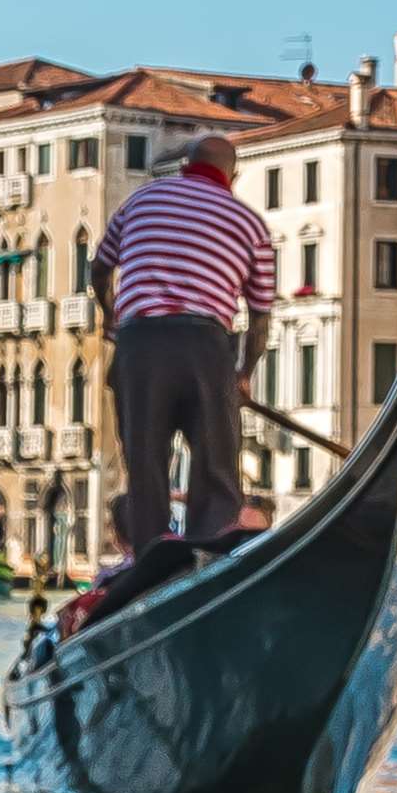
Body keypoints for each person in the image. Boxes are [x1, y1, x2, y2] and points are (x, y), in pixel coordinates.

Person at [91, 130, 279, 564]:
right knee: (216, 466)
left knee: (146, 465)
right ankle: (207, 554)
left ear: (183, 167)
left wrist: (109, 317)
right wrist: (243, 374)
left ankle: (152, 557)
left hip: (140, 345)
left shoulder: (141, 201)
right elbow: (260, 317)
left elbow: (100, 268)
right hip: (205, 346)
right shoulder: (249, 224)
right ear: (233, 175)